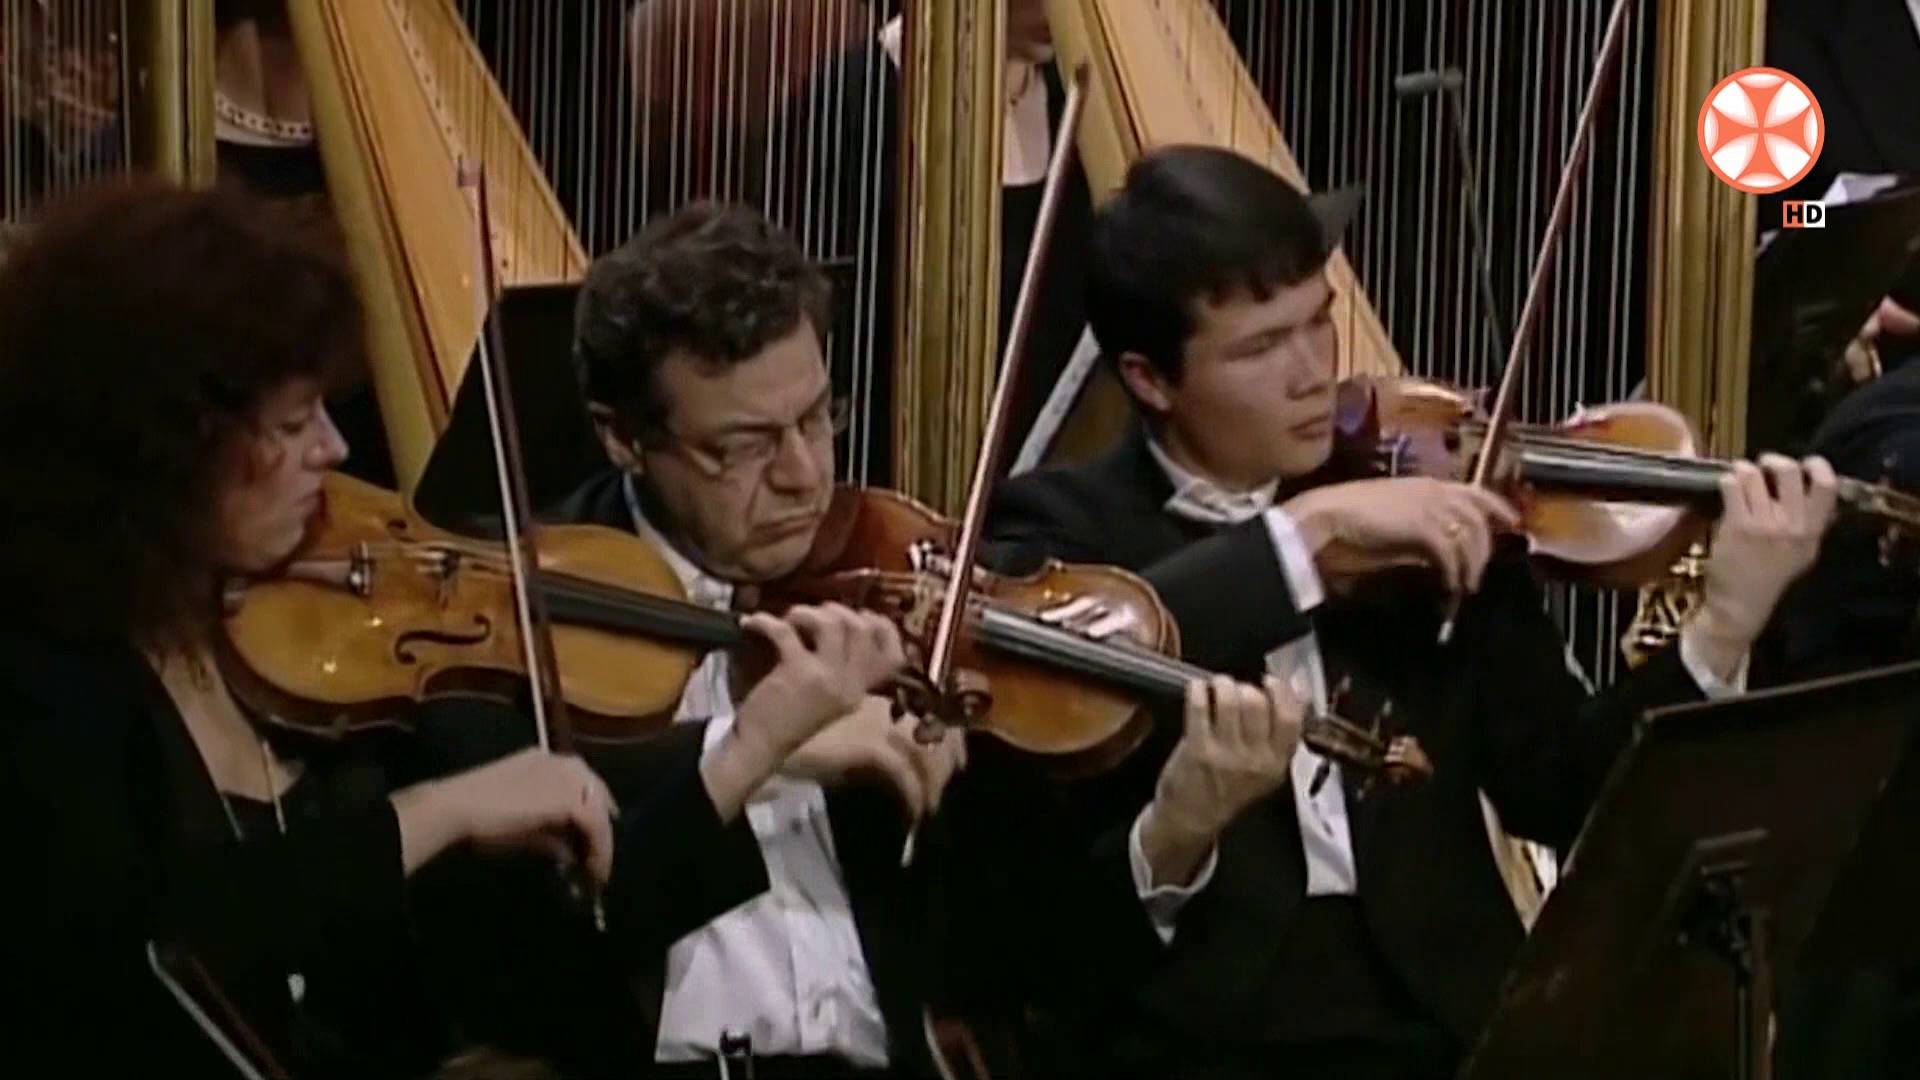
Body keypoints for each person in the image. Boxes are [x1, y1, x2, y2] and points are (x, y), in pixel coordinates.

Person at [0, 178, 895, 1077]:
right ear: (166, 447)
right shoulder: (50, 679)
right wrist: (441, 812)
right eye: (294, 422)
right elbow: (141, 945)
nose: (336, 450)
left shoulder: (305, 660)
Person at [981, 144, 1837, 1079]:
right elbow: (1042, 932)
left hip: (1453, 1032)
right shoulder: (1056, 537)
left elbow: (1567, 794)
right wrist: (1303, 541)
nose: (1313, 374)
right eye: (1262, 348)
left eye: (1320, 322)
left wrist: (1723, 625)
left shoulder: (1426, 498)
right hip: (1197, 1046)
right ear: (1149, 379)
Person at [562, 198, 1031, 1079]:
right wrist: (761, 746)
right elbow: (563, 947)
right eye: (743, 447)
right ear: (623, 438)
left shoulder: (880, 577)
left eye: (816, 418)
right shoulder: (539, 605)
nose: (804, 475)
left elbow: (1010, 944)